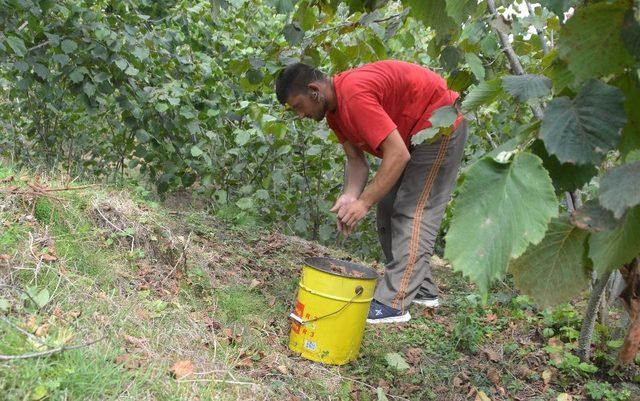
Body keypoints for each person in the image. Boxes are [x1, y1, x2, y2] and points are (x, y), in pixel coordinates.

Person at [275, 60, 467, 324]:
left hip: (440, 125)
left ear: (313, 90)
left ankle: (394, 303)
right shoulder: (334, 112)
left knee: (413, 210)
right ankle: (422, 290)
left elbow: (397, 154)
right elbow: (356, 162)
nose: (300, 115)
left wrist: (363, 203)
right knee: (387, 208)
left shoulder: (353, 95)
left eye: (298, 106)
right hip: (414, 135)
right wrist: (349, 197)